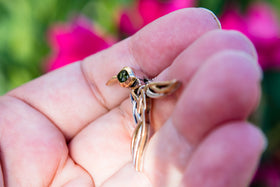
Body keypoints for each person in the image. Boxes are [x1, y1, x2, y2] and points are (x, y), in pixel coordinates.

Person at [0, 8, 266, 187]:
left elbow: (156, 88)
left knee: (145, 126)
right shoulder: (132, 86)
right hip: (140, 112)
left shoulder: (141, 87)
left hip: (144, 106)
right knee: (142, 131)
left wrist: (169, 86)